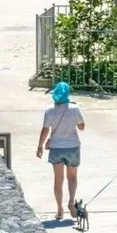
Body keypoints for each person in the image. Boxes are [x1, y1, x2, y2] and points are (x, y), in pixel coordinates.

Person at [36, 81, 86, 220]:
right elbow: (82, 127)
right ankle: (71, 202)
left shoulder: (49, 110)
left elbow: (45, 129)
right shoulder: (74, 109)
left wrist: (40, 146)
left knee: (58, 179)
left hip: (56, 148)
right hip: (72, 147)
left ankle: (59, 210)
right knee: (72, 177)